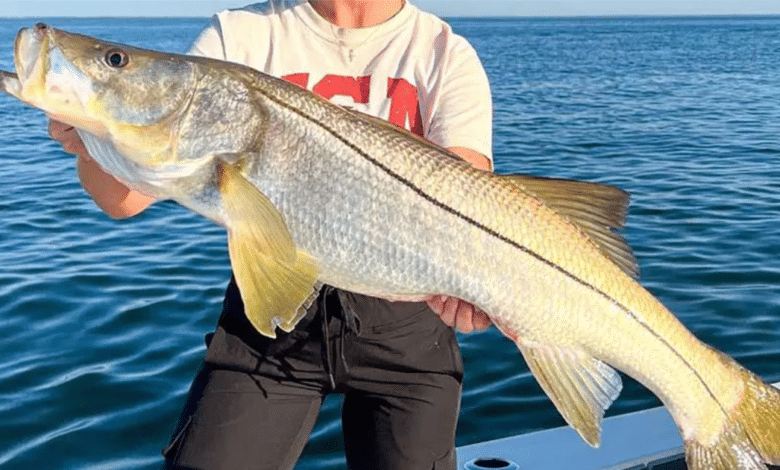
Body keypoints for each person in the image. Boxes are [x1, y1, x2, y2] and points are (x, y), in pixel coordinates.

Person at [49, 1, 493, 468]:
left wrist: (470, 282)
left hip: (406, 330)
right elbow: (121, 200)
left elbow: (470, 199)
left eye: (116, 61)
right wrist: (94, 136)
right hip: (266, 324)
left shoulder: (444, 51)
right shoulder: (240, 34)